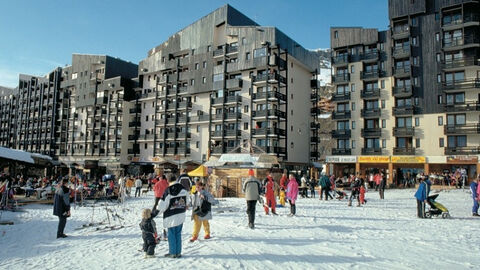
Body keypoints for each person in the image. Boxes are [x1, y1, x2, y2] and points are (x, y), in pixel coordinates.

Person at [158, 175, 189, 258]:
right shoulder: (183, 189)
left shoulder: (168, 191)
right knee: (178, 234)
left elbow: (162, 205)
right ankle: (178, 252)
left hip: (171, 216)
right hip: (180, 214)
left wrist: (157, 212)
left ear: (168, 181)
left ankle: (172, 252)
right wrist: (186, 205)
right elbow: (188, 200)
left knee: (171, 234)